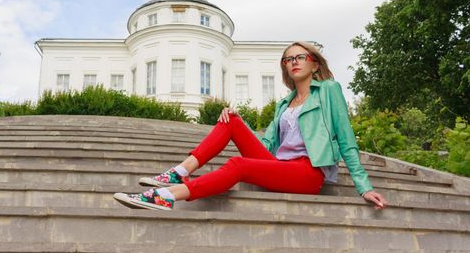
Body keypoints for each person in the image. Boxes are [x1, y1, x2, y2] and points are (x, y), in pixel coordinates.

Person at [113, 41, 388, 211]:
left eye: (300, 57)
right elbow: (267, 146)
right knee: (230, 118)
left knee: (237, 166)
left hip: (308, 172)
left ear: (314, 64)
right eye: (288, 59)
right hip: (281, 165)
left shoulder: (328, 90)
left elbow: (346, 138)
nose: (293, 62)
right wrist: (237, 121)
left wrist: (363, 186)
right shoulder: (285, 104)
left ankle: (166, 196)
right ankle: (178, 172)